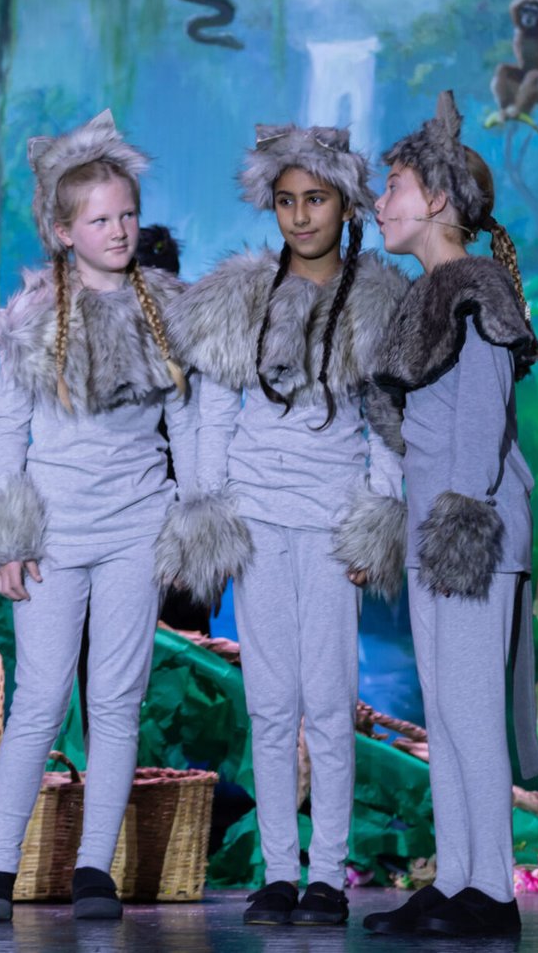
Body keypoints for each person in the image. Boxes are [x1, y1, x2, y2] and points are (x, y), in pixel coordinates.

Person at [161, 123, 408, 926]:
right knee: (270, 703)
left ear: (346, 205)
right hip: (259, 518)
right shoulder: (241, 293)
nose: (301, 216)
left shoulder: (377, 301)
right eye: (287, 200)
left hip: (334, 522)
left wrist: (378, 519)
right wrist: (211, 510)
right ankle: (277, 871)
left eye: (317, 199)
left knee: (330, 704)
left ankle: (327, 874)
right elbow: (212, 410)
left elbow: (389, 423)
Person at [0, 110, 195, 922]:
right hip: (55, 532)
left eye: (128, 214)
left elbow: (187, 423)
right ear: (64, 232)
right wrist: (9, 536)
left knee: (117, 700)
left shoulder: (166, 311)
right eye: (100, 220)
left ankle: (96, 866)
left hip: (137, 524)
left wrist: (192, 519)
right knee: (40, 697)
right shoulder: (31, 316)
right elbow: (7, 429)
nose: (119, 230)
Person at [361, 91, 538, 939]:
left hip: (472, 530)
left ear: (436, 197)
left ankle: (494, 892)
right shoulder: (424, 293)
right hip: (434, 528)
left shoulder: (477, 287)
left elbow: (481, 412)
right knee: (445, 715)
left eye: (394, 185)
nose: (381, 201)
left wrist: (460, 512)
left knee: (471, 712)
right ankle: (459, 876)